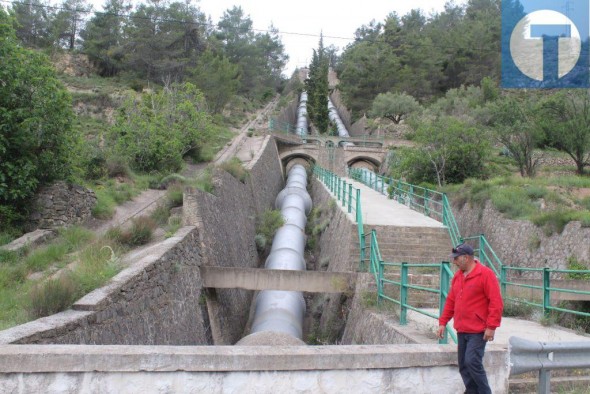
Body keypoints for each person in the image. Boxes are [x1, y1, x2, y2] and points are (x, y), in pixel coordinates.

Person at [437, 243, 503, 394]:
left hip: (479, 330)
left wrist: (491, 326)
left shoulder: (486, 274)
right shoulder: (458, 277)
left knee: (472, 361)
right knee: (463, 366)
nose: (454, 262)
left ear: (466, 258)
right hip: (462, 328)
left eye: (456, 258)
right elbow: (451, 301)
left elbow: (496, 302)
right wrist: (443, 322)